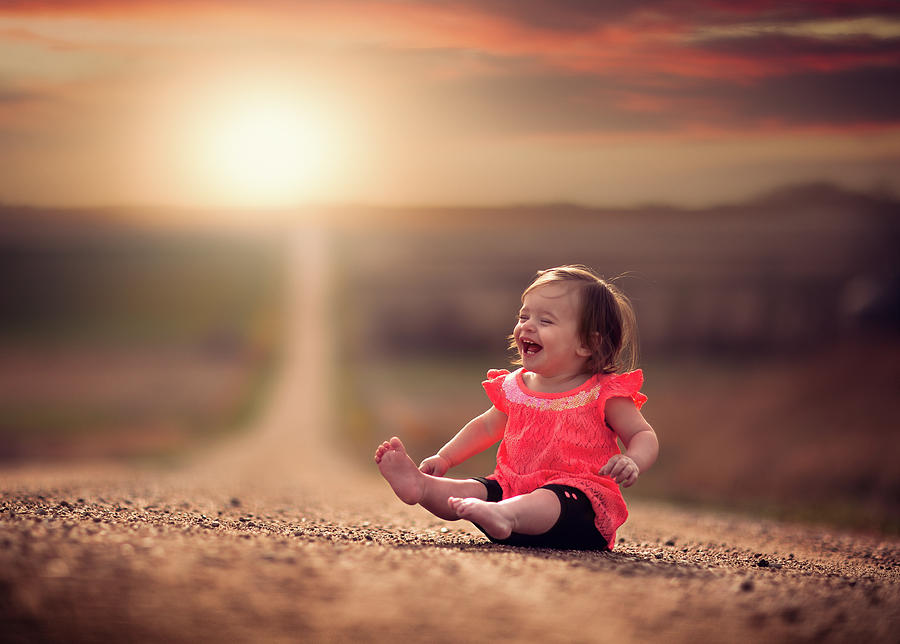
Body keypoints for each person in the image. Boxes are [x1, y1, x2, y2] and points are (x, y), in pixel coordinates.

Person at [374, 265, 658, 550]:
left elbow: (642, 435)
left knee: (551, 496)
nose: (527, 325)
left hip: (579, 509)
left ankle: (505, 514)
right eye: (524, 316)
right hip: (511, 492)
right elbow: (485, 427)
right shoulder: (516, 388)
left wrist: (633, 459)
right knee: (477, 489)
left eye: (545, 321)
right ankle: (422, 487)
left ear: (587, 343)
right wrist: (445, 458)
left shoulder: (602, 392)